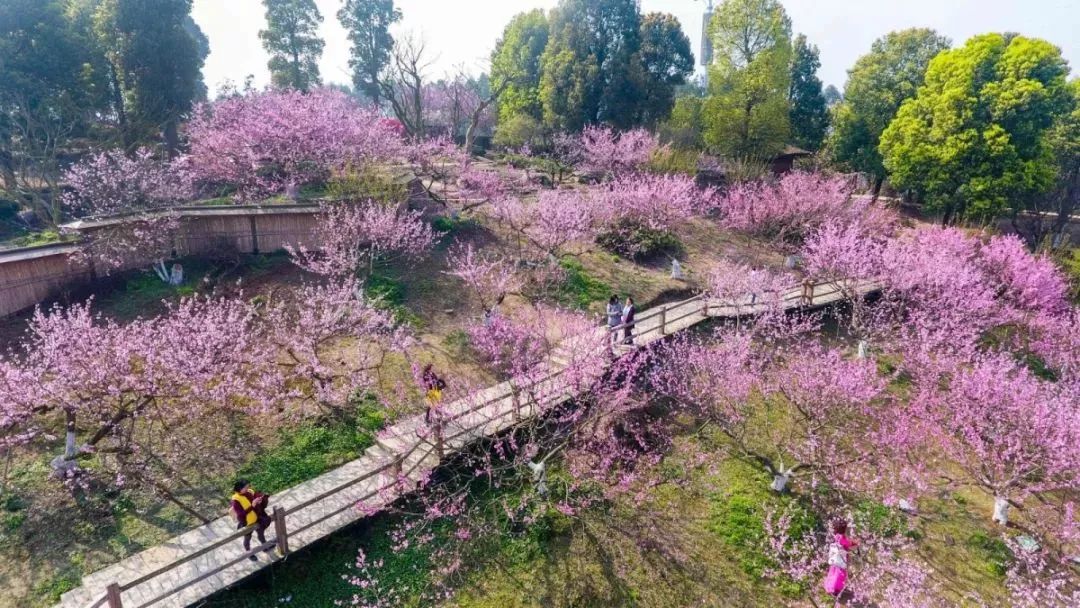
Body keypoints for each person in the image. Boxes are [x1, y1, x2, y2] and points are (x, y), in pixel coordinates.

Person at [230, 479, 273, 561]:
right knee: (247, 538)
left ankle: (265, 547)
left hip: (257, 518)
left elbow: (255, 498)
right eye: (245, 487)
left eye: (248, 486)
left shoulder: (249, 492)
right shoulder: (235, 501)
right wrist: (252, 506)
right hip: (246, 523)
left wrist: (259, 501)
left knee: (261, 533)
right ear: (239, 488)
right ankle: (249, 553)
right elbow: (241, 514)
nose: (248, 488)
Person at [823, 519, 858, 600]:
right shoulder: (842, 537)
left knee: (833, 573)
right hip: (840, 560)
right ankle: (835, 590)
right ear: (844, 529)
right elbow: (848, 543)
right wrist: (856, 543)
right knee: (839, 575)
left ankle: (830, 586)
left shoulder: (836, 535)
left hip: (835, 558)